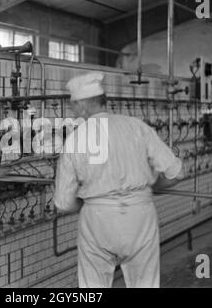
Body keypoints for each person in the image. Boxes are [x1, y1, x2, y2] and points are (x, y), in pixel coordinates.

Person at [53, 72, 184, 288]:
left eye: (73, 105)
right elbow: (177, 173)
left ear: (83, 105)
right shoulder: (136, 127)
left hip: (97, 219)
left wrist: (86, 202)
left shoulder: (75, 138)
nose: (72, 110)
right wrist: (152, 187)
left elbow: (63, 203)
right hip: (140, 216)